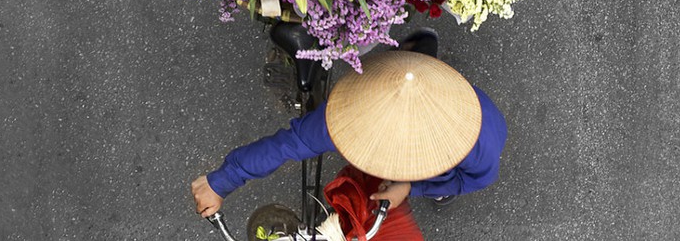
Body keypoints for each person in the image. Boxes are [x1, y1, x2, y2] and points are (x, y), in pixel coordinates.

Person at [192, 30, 508, 220]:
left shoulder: (482, 142)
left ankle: (415, 52)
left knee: (445, 186)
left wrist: (415, 186)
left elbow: (470, 181)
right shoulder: (348, 116)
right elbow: (287, 144)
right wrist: (221, 181)